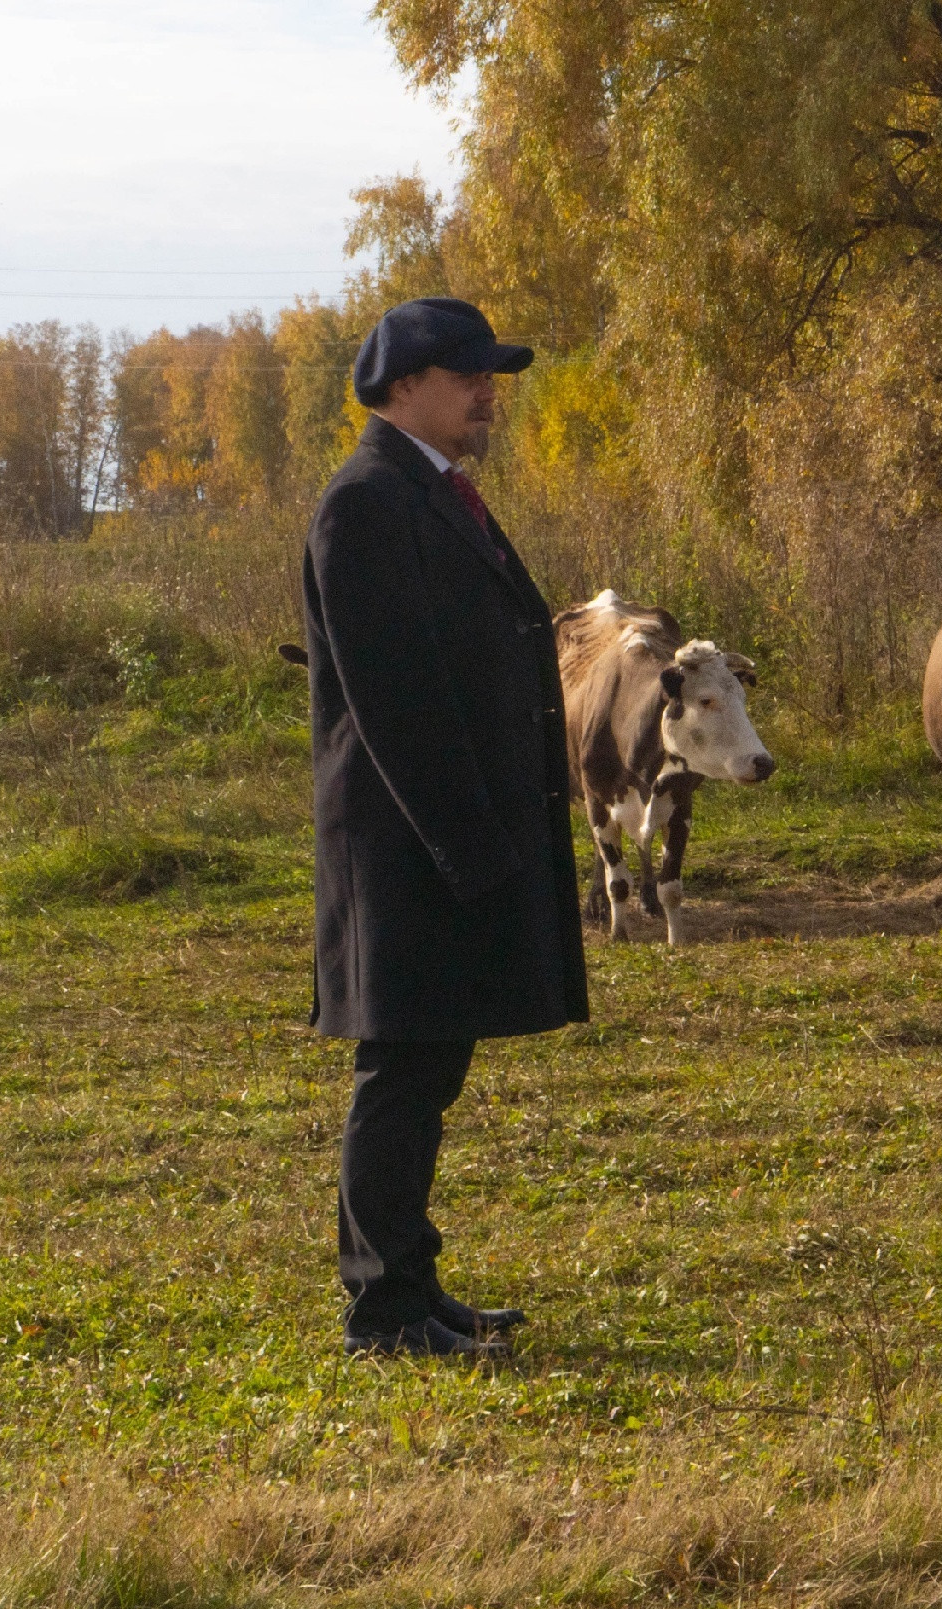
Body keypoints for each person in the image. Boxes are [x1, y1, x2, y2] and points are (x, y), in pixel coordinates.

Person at [300, 297, 588, 1356]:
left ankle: (411, 1288)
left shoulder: (429, 493)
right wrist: (466, 846)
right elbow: (395, 703)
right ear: (403, 383)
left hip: (441, 839)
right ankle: (384, 1310)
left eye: (492, 375)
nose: (488, 394)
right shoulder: (367, 503)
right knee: (403, 1067)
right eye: (470, 375)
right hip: (407, 844)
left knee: (429, 1064)